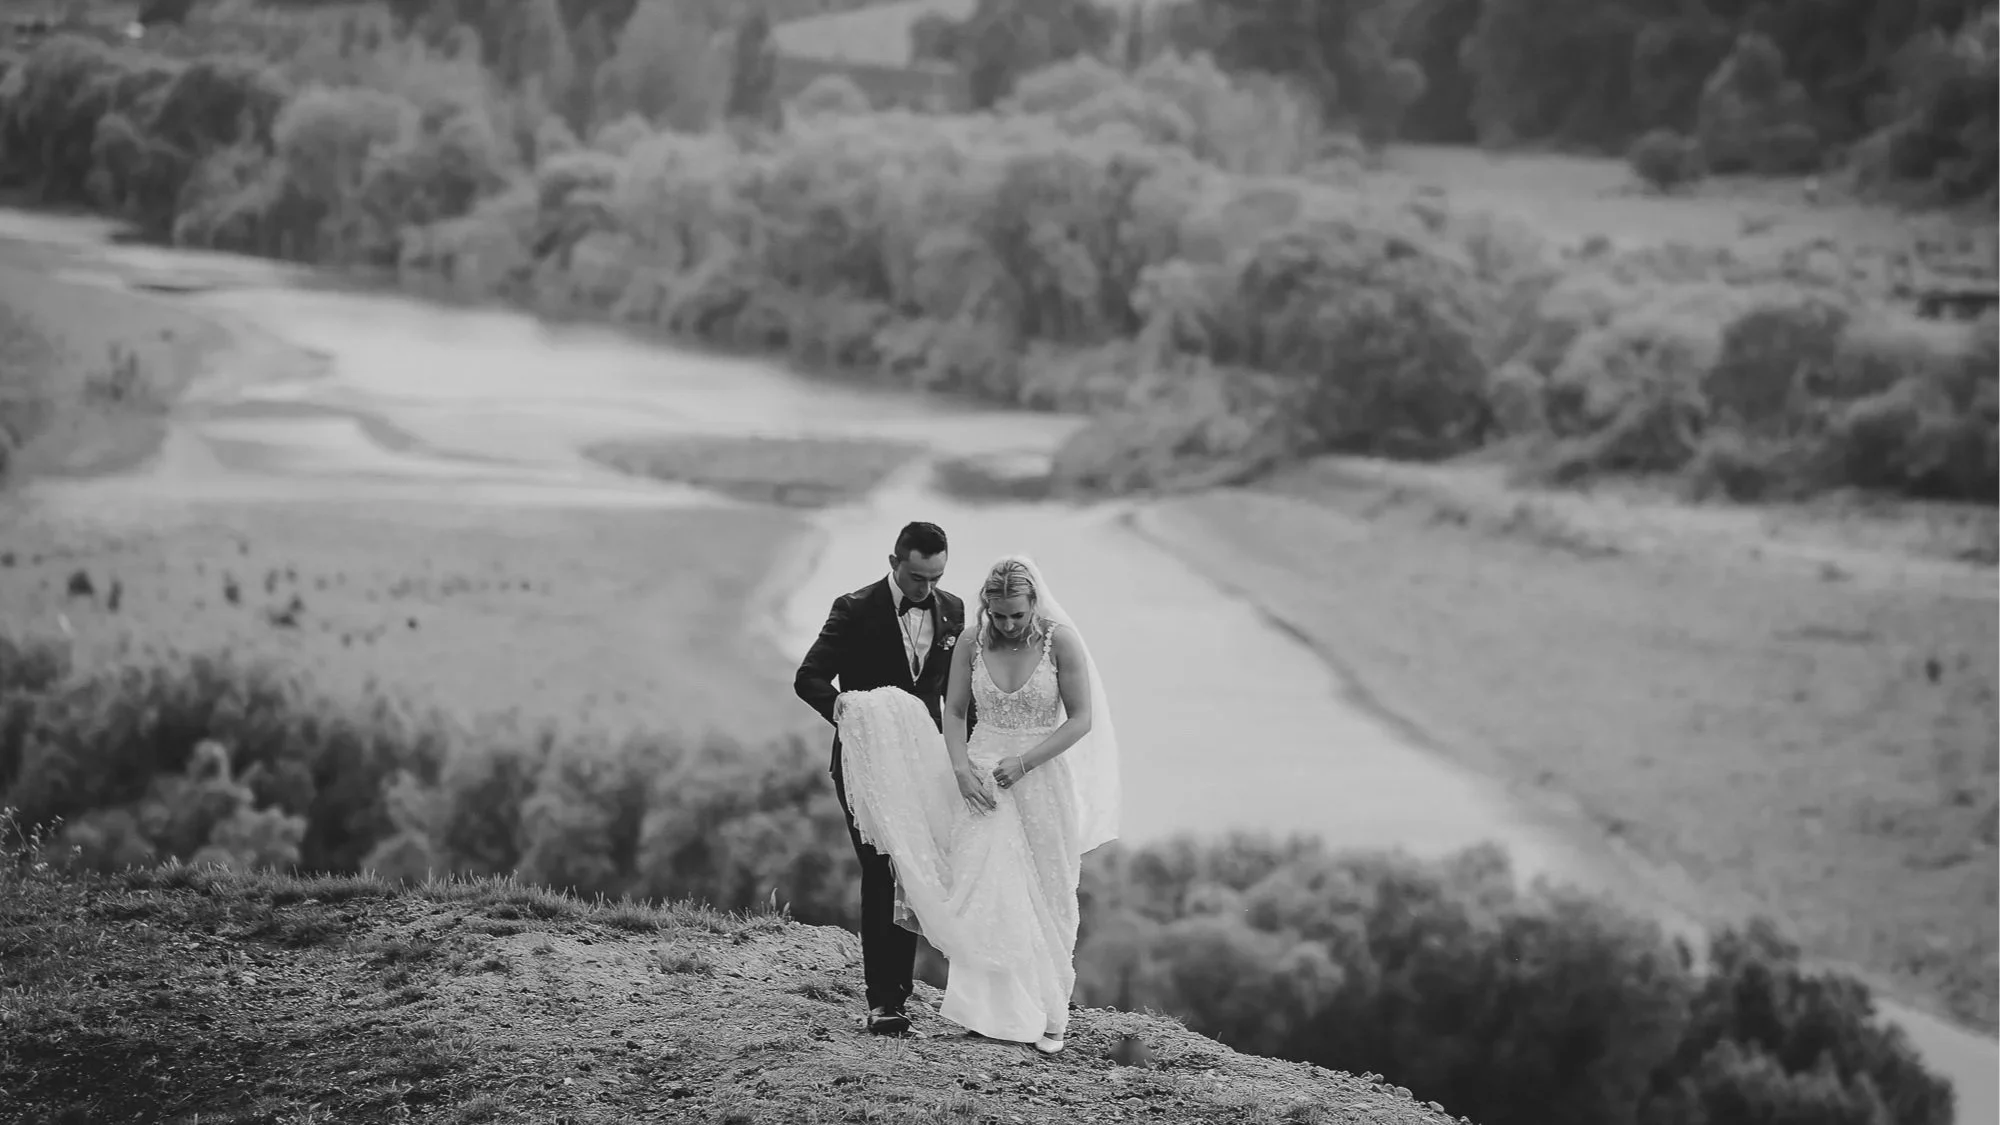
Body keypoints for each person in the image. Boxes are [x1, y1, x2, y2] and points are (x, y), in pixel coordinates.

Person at [833, 554, 1121, 1055]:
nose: (1007, 624)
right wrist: (962, 770)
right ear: (987, 605)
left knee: (1048, 894)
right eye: (998, 613)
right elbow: (955, 710)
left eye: (1017, 614)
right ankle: (985, 1012)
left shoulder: (1061, 641)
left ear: (1033, 604)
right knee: (986, 891)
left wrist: (1026, 762)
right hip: (981, 781)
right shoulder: (972, 639)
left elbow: (1080, 720)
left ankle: (1047, 1011)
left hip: (1040, 778)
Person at [793, 521, 965, 1036]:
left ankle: (902, 995)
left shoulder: (954, 611)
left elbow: (960, 697)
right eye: (917, 577)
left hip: (925, 767)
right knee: (880, 870)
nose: (926, 589)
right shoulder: (853, 608)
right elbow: (809, 679)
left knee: (914, 873)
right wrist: (851, 711)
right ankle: (881, 1001)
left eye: (935, 578)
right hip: (865, 765)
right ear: (894, 562)